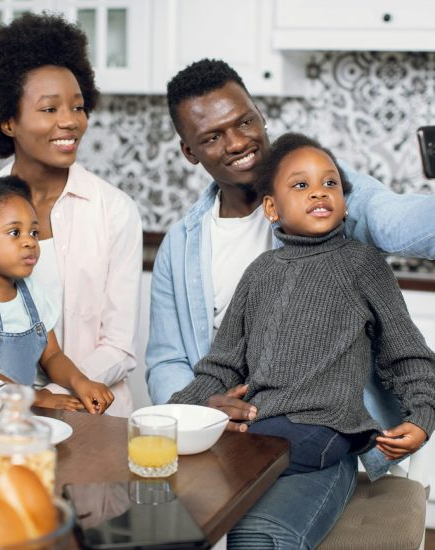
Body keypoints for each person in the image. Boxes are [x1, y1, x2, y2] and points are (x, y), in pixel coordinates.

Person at [146, 59, 435, 548]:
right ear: (189, 151)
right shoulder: (188, 244)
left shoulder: (344, 213)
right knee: (147, 528)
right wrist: (198, 415)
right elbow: (177, 361)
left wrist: (422, 416)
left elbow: (400, 226)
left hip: (323, 435)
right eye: (213, 136)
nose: (237, 142)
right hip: (231, 437)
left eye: (244, 121)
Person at [169, 132, 435, 476]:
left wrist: (422, 417)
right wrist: (174, 415)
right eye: (300, 185)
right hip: (262, 424)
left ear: (345, 202)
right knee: (212, 473)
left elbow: (408, 355)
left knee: (246, 466)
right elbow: (222, 365)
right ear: (271, 208)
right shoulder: (259, 272)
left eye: (330, 183)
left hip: (327, 427)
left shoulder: (362, 265)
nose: (319, 191)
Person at [0, 13, 142, 417]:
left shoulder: (114, 211)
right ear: (8, 121)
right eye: (49, 109)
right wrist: (29, 400)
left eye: (78, 106)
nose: (70, 121)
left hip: (95, 418)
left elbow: (118, 346)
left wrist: (53, 393)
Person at [0, 174, 114, 414]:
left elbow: (52, 356)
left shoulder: (32, 293)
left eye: (34, 233)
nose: (30, 242)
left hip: (18, 414)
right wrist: (35, 397)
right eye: (15, 233)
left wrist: (81, 382)